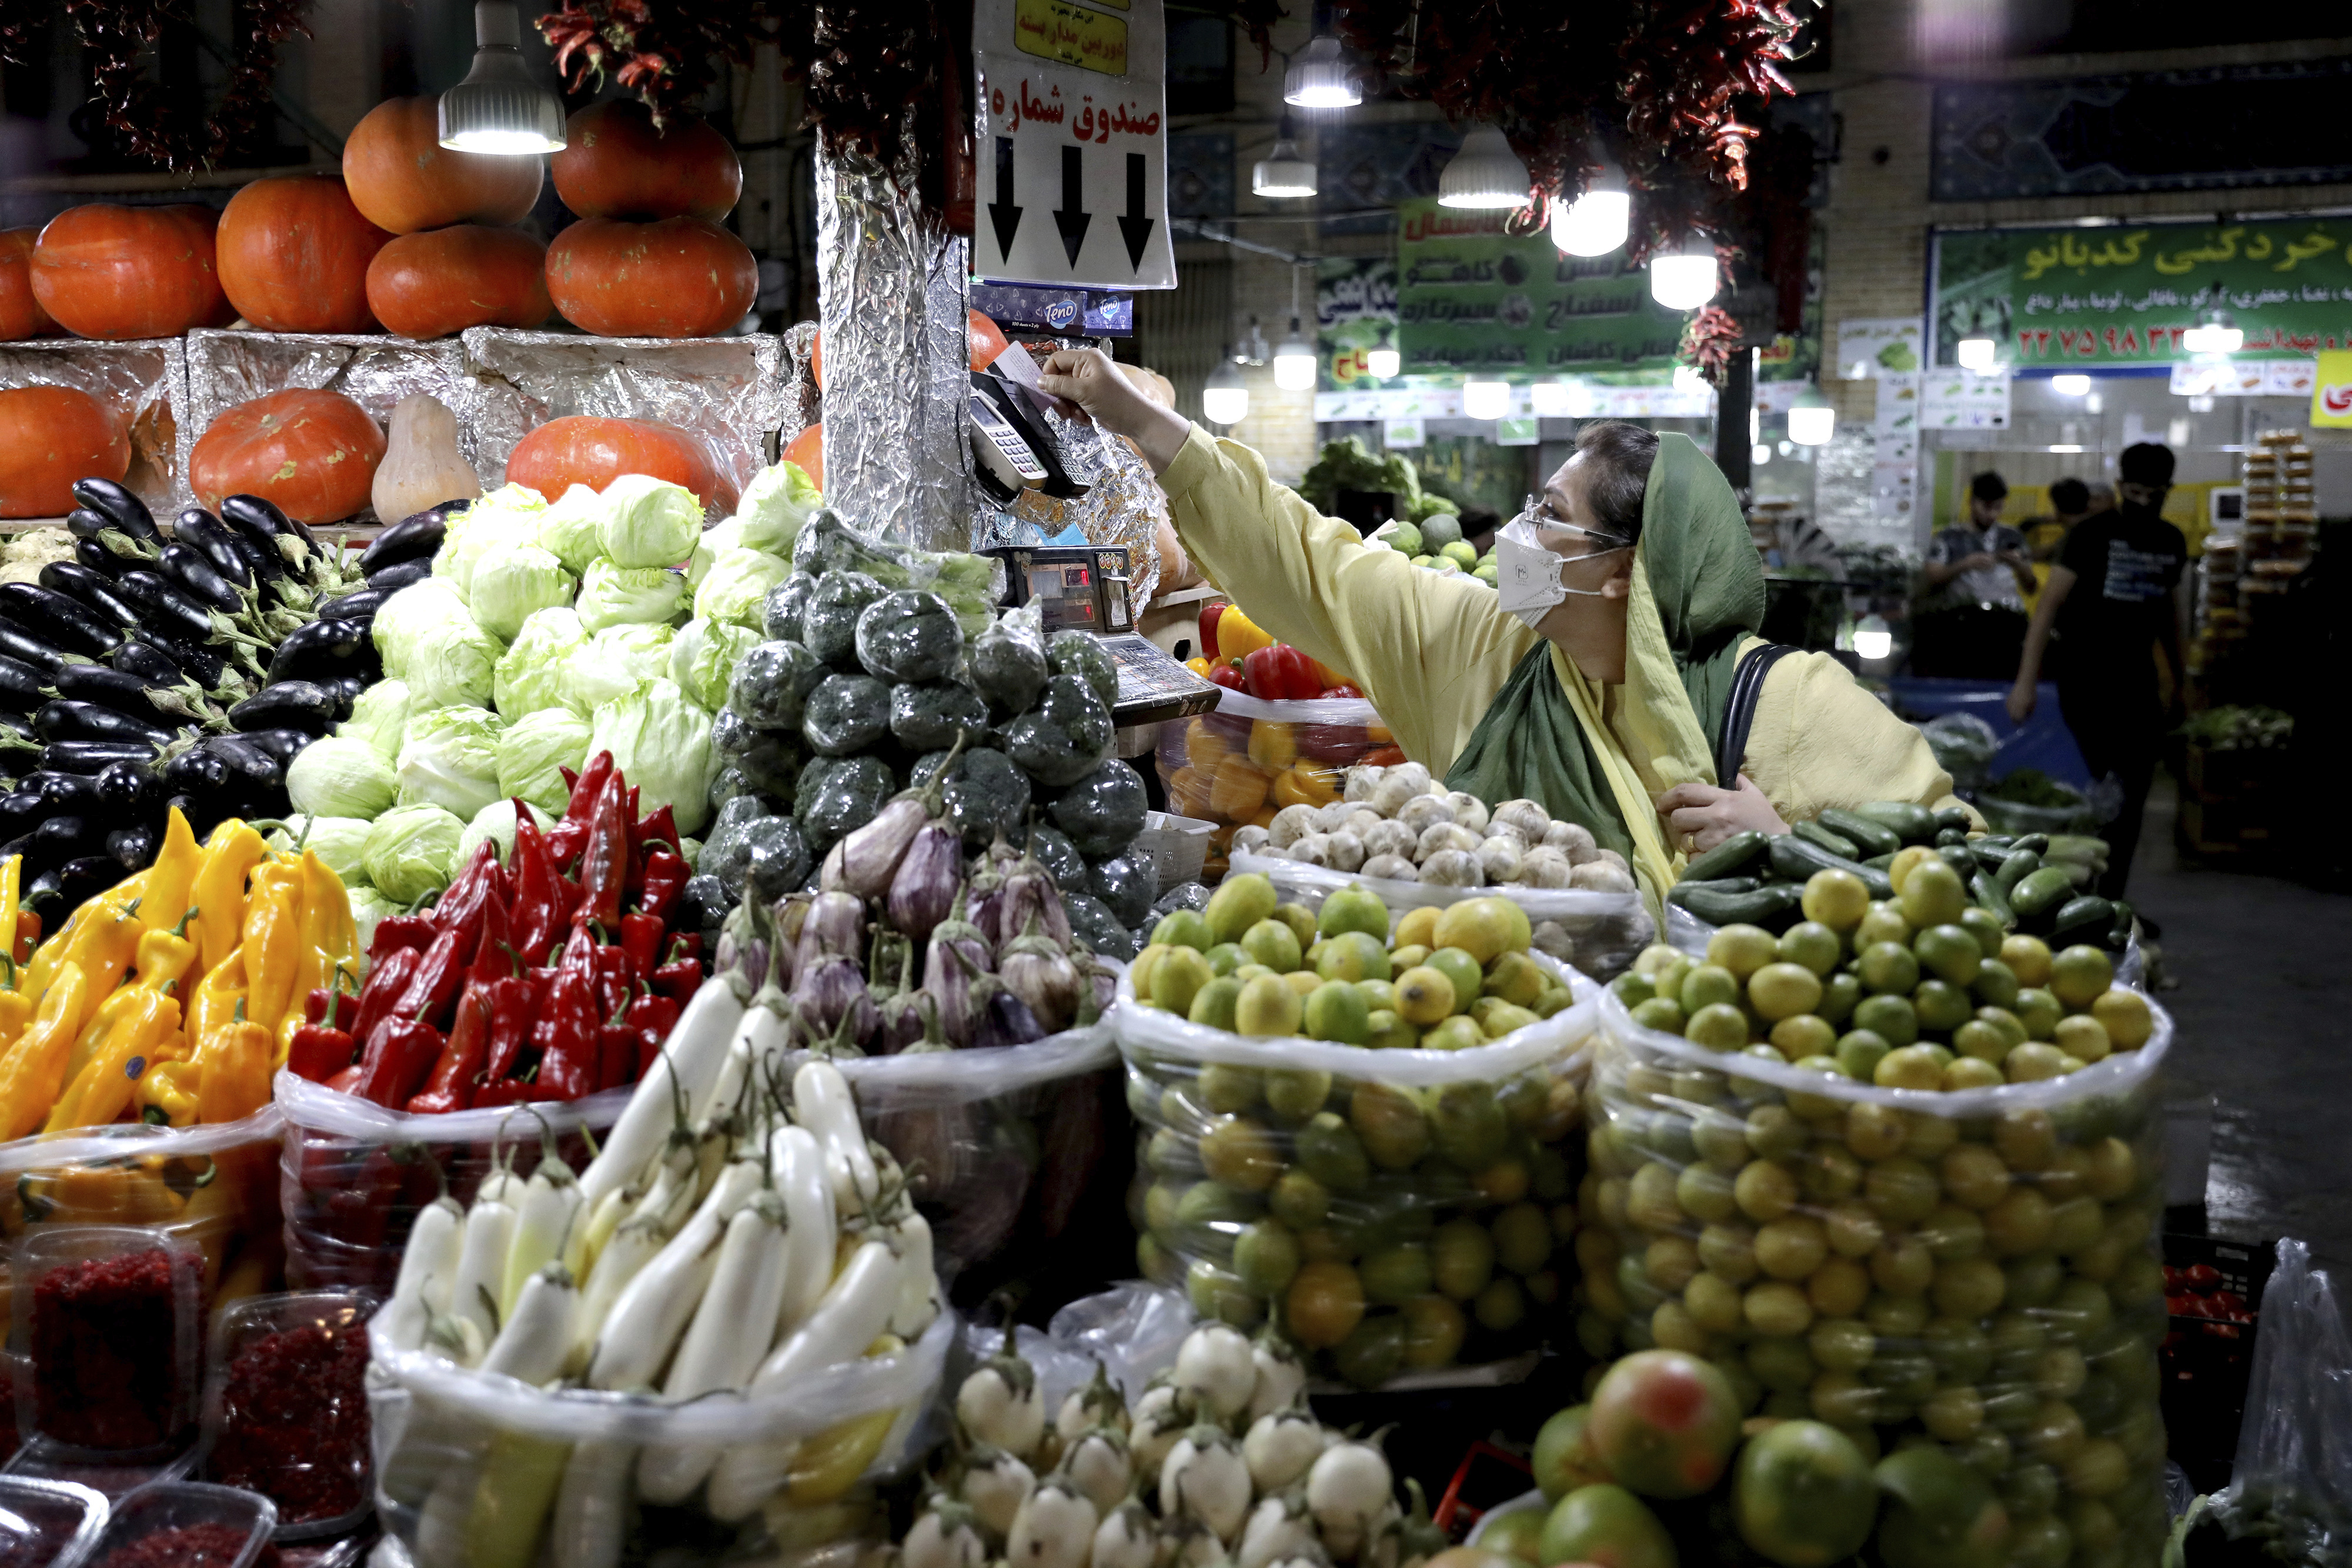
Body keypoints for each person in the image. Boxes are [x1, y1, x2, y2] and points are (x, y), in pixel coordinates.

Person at [1035, 347, 1967, 914]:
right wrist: (1133, 414)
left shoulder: (1792, 706)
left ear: (1623, 574)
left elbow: (1966, 881)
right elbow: (1308, 559)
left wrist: (1791, 856)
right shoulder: (1485, 645)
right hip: (1505, 1058)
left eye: (1548, 513)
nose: (1513, 536)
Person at [2007, 443, 2190, 899]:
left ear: (2169, 490)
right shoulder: (2090, 536)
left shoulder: (2171, 541)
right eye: (2136, 490)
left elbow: (2169, 614)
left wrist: (2183, 682)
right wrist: (2025, 683)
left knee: (2131, 800)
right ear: (2121, 486)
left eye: (2155, 491)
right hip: (2086, 683)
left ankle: (2109, 902)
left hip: (2139, 684)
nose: (2145, 499)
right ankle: (2077, 897)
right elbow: (2048, 607)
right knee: (2106, 794)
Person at [1923, 472, 2036, 609]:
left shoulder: (2012, 536)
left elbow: (2031, 588)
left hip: (2007, 616)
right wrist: (1964, 565)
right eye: (1987, 507)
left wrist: (2020, 566)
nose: (1993, 514)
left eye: (1998, 507)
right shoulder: (1948, 537)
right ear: (1971, 502)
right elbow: (1931, 580)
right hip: (1963, 615)